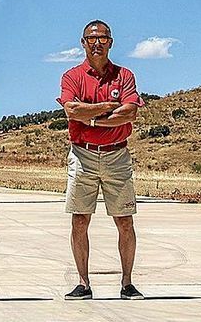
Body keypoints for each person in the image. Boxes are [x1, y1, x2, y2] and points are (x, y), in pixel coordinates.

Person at [58, 20, 145, 301]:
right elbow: (71, 110)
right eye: (91, 38)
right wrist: (107, 109)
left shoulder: (124, 76)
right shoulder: (72, 76)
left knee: (125, 221)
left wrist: (91, 117)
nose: (97, 43)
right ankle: (83, 283)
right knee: (80, 220)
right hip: (82, 155)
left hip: (116, 154)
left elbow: (129, 112)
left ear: (111, 42)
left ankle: (127, 283)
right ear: (82, 43)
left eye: (102, 38)